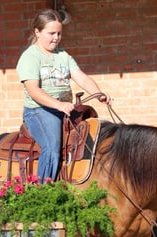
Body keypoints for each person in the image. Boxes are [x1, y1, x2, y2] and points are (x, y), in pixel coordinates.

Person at [16, 9, 110, 182]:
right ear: (37, 32)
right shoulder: (30, 57)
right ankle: (44, 190)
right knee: (51, 147)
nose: (56, 38)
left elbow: (81, 77)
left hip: (65, 109)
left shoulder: (63, 55)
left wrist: (98, 93)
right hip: (39, 111)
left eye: (59, 33)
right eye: (51, 33)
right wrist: (58, 105)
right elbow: (33, 91)